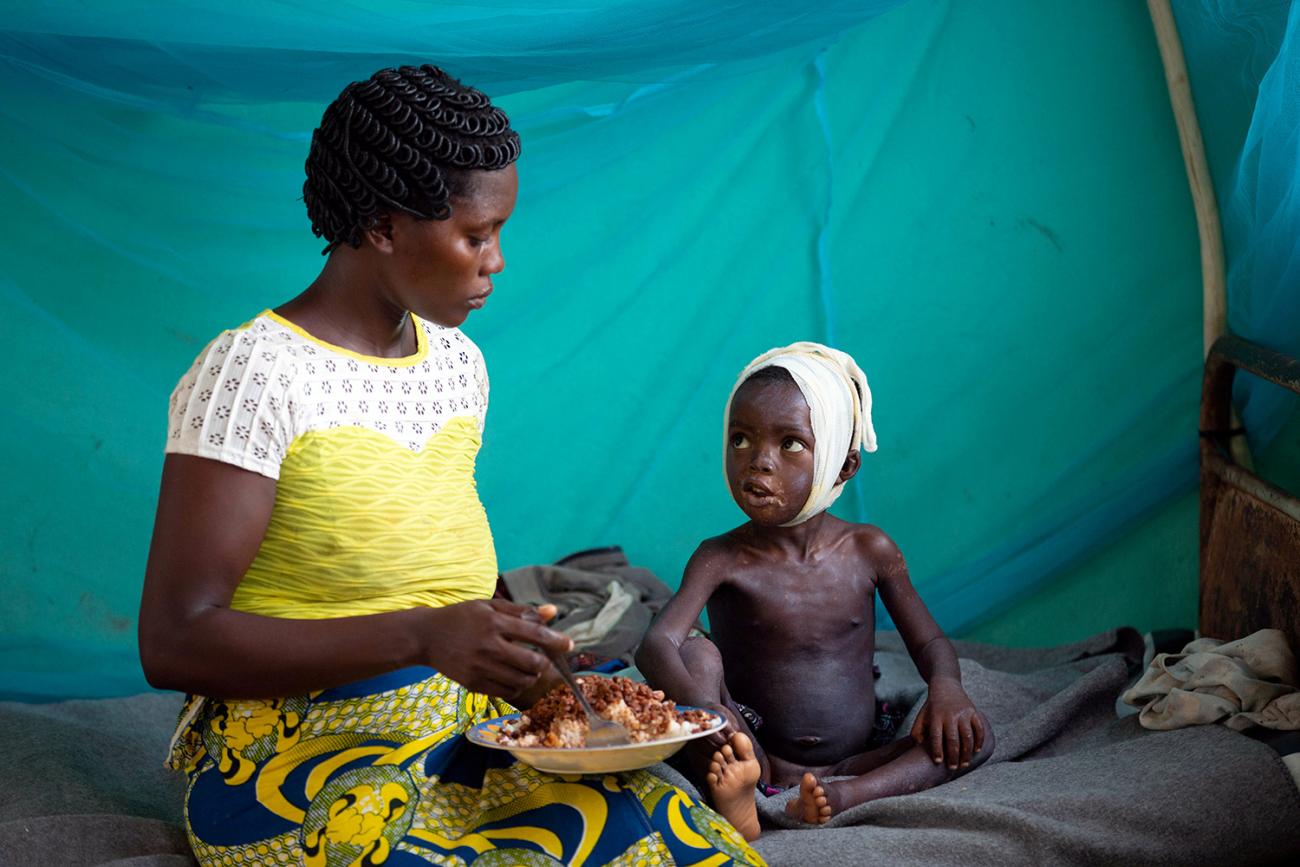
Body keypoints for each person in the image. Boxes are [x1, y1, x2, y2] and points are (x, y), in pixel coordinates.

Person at [139, 64, 762, 866]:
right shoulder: (253, 374)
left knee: (659, 836)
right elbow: (174, 641)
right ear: (382, 226)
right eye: (475, 235)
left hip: (455, 720)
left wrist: (504, 640)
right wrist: (423, 636)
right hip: (295, 749)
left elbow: (418, 556)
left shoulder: (457, 364)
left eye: (500, 231)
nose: (496, 260)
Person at [636, 342, 995, 840]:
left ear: (843, 466)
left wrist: (947, 688)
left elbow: (930, 643)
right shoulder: (721, 556)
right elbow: (656, 644)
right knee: (696, 653)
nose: (758, 463)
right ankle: (742, 789)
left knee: (972, 737)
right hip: (748, 743)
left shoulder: (870, 550)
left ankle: (848, 794)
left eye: (789, 444)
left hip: (859, 754)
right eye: (740, 439)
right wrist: (705, 709)